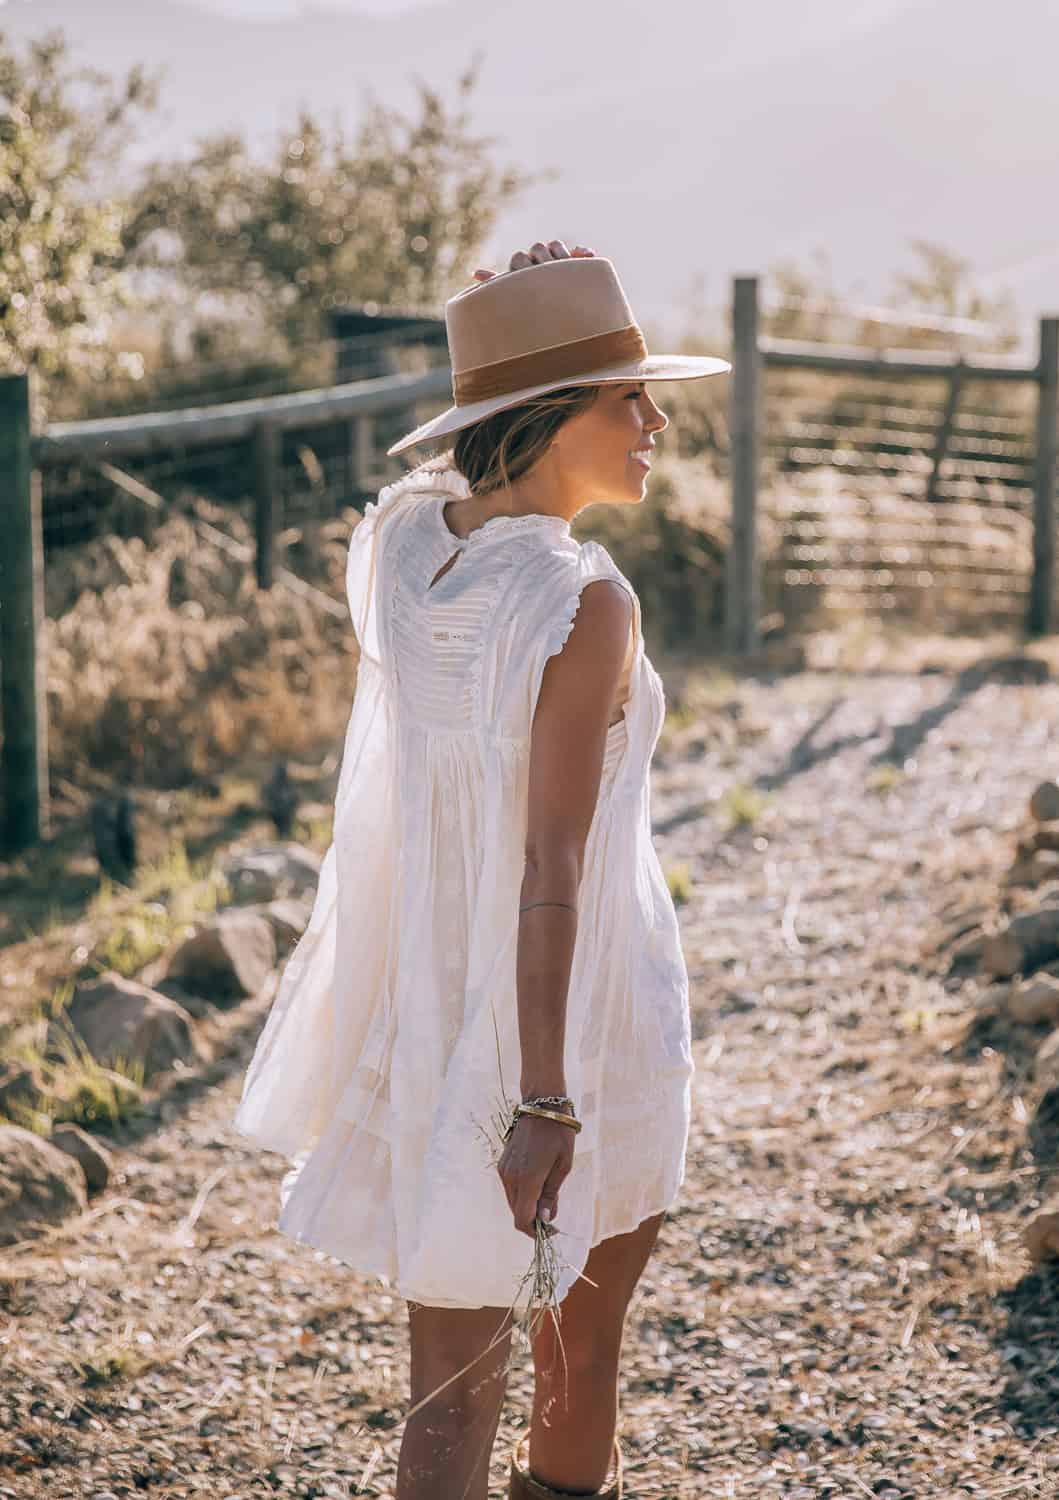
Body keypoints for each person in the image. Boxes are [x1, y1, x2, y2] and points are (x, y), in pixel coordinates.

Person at [233, 239, 730, 1499]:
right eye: (630, 396)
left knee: (448, 1390)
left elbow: (416, 799)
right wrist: (547, 1100)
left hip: (442, 1000)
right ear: (551, 416)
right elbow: (551, 862)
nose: (656, 420)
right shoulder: (583, 600)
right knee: (577, 1350)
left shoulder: (401, 546)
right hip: (575, 1017)